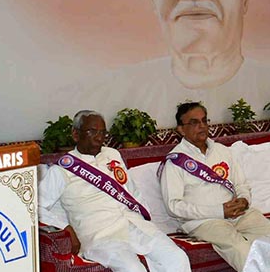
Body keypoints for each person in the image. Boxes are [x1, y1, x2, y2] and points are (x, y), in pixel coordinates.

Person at [38, 110, 191, 272]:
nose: (99, 137)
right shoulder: (63, 169)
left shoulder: (113, 155)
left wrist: (145, 218)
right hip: (100, 235)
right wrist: (65, 227)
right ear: (75, 134)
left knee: (177, 257)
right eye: (92, 131)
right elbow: (36, 207)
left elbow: (132, 190)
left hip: (133, 225)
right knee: (133, 269)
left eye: (103, 132)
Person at [158, 102, 270, 271]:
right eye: (194, 122)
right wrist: (220, 211)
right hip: (204, 221)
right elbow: (174, 206)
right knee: (241, 249)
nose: (202, 126)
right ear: (181, 129)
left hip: (240, 215)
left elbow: (241, 184)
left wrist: (243, 200)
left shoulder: (223, 151)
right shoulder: (175, 162)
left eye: (204, 120)